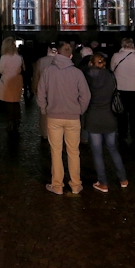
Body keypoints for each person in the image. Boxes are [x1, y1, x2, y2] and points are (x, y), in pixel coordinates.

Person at [38, 43, 91, 195]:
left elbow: (41, 93)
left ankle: (57, 185)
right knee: (73, 151)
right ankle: (75, 184)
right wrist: (80, 110)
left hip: (54, 116)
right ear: (71, 56)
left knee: (55, 151)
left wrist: (44, 109)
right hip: (73, 117)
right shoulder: (77, 73)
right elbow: (86, 95)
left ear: (57, 54)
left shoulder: (48, 71)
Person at [81, 53, 129, 191]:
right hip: (109, 117)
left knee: (97, 152)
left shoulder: (87, 77)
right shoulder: (110, 77)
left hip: (93, 118)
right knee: (113, 149)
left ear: (91, 63)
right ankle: (123, 179)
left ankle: (103, 182)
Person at [110, 38, 135, 146]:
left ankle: (122, 133)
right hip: (134, 87)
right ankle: (134, 134)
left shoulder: (116, 56)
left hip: (120, 87)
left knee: (121, 112)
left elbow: (112, 68)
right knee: (134, 112)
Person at [0, 37, 25, 134]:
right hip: (17, 80)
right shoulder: (19, 57)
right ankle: (16, 121)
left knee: (9, 103)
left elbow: (0, 70)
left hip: (7, 81)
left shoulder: (4, 57)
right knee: (15, 101)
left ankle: (10, 122)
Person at [30, 44, 58, 139]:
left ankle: (45, 133)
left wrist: (35, 88)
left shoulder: (41, 61)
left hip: (44, 90)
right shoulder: (61, 61)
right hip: (57, 90)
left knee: (44, 112)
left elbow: (36, 76)